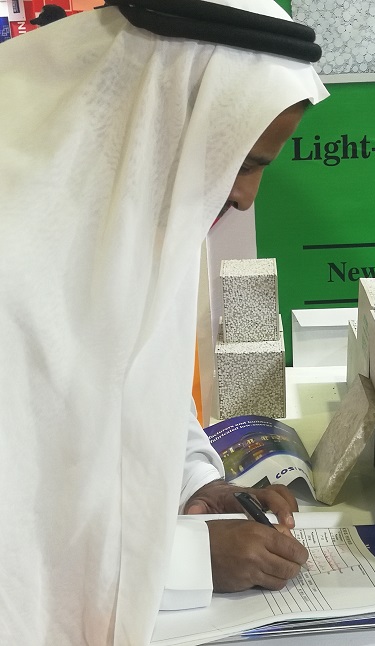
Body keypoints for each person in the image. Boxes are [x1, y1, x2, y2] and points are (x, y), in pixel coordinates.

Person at [0, 0, 328, 643]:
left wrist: (198, 486)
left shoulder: (126, 197)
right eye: (243, 161)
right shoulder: (16, 244)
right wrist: (186, 559)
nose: (246, 196)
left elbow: (136, 379)